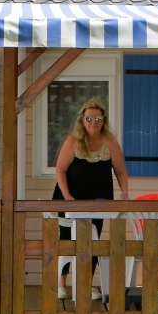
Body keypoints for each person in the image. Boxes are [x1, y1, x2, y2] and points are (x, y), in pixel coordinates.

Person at [53, 99, 129, 282]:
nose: (93, 122)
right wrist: (67, 197)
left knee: (93, 241)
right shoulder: (72, 140)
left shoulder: (110, 141)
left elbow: (120, 170)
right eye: (89, 118)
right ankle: (62, 284)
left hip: (98, 201)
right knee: (67, 240)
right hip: (70, 198)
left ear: (103, 121)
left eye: (98, 118)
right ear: (82, 120)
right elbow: (60, 170)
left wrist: (124, 192)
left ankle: (86, 284)